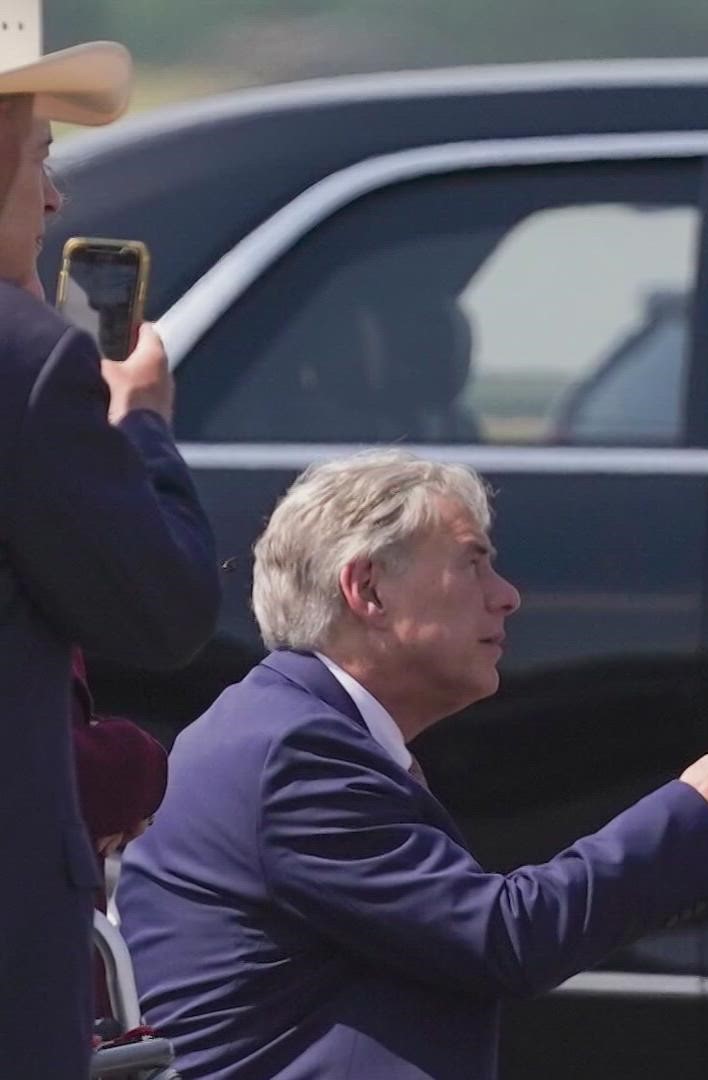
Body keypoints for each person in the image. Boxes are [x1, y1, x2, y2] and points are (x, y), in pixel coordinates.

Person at [117, 450, 708, 1080]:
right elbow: (503, 939)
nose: (506, 597)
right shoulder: (292, 753)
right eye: (473, 565)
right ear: (368, 589)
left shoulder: (302, 727)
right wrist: (701, 807)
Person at [0, 19, 222, 1076]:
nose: (51, 201)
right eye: (39, 158)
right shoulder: (29, 364)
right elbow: (164, 605)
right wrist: (138, 425)